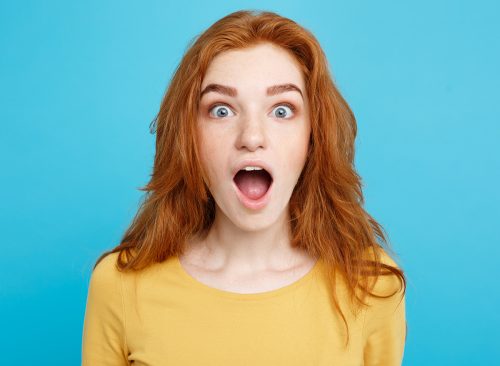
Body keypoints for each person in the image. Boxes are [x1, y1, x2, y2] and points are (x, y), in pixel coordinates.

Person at [81, 9, 407, 366]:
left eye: (282, 110)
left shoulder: (372, 286)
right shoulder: (119, 286)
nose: (252, 137)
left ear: (313, 137)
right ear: (189, 137)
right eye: (221, 110)